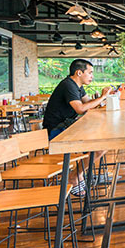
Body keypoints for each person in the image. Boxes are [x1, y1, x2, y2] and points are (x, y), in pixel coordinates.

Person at [43, 59, 111, 195]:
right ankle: (75, 176)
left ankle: (78, 173)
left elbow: (88, 103)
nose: (92, 76)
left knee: (103, 141)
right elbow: (80, 109)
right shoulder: (68, 85)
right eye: (90, 73)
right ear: (79, 73)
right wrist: (103, 97)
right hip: (57, 132)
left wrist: (103, 99)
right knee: (101, 146)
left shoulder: (77, 86)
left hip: (67, 127)